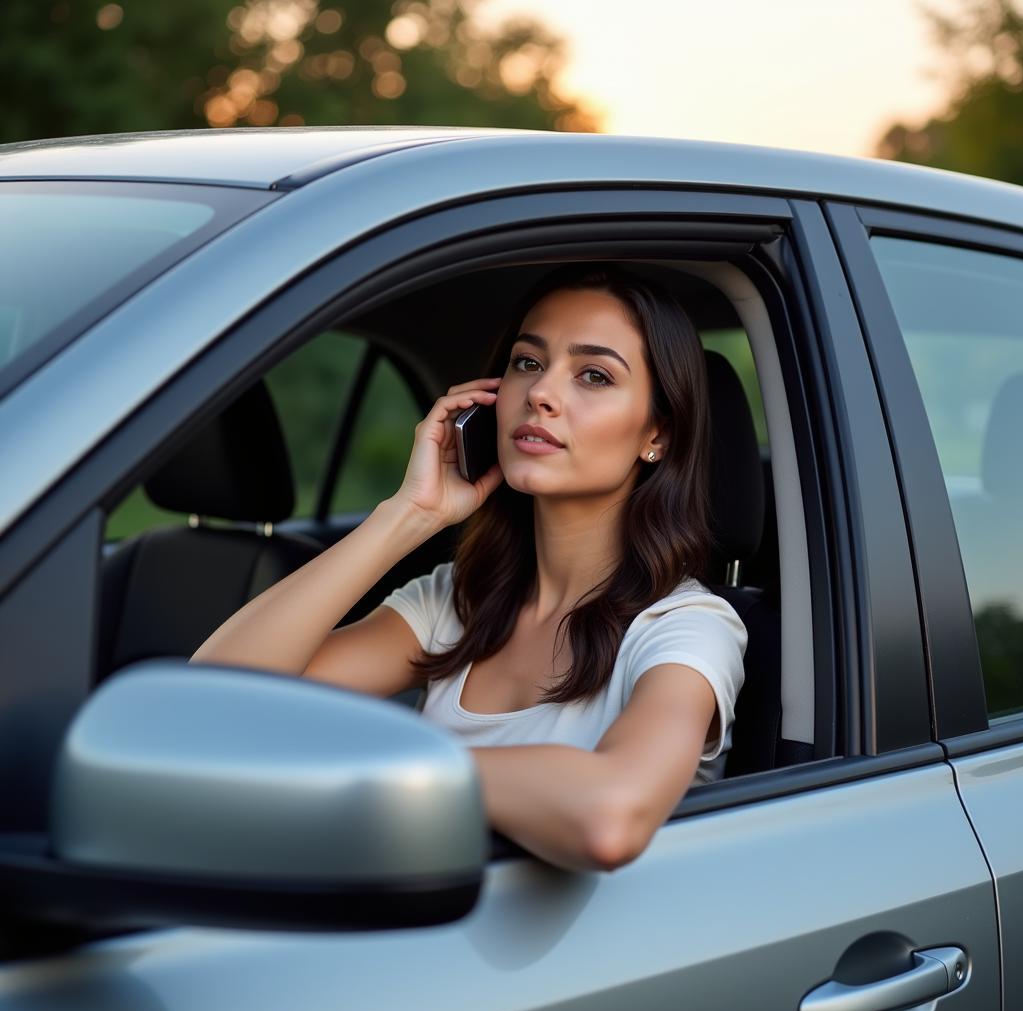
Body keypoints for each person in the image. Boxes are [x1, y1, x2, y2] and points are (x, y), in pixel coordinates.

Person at [191, 262, 747, 873]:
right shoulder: (455, 601)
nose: (541, 393)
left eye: (593, 375)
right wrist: (408, 515)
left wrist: (372, 765)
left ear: (657, 435)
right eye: (528, 363)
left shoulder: (688, 628)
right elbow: (212, 704)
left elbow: (610, 818)